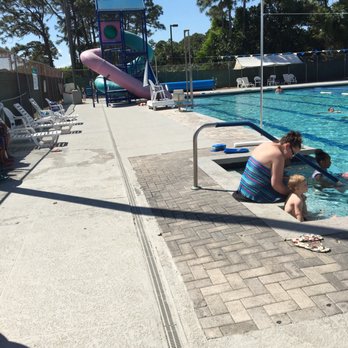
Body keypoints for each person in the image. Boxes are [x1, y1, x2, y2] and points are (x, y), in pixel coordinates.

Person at [234, 130, 302, 203]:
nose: (291, 157)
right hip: (253, 194)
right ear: (287, 146)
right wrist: (293, 193)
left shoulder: (266, 144)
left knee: (292, 183)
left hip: (243, 188)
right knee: (297, 194)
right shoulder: (278, 155)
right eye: (293, 153)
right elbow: (276, 185)